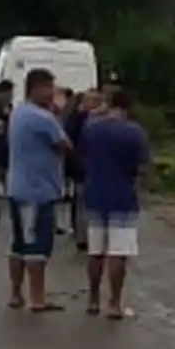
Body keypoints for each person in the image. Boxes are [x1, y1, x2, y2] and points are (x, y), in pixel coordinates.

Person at [77, 87, 151, 319]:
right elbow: (142, 167)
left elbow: (83, 157)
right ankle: (114, 303)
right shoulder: (135, 132)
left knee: (95, 250)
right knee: (118, 253)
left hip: (95, 193)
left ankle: (93, 299)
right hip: (122, 196)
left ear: (108, 103)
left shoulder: (91, 129)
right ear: (129, 106)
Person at [5, 68, 71, 312]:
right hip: (37, 191)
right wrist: (59, 113)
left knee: (19, 244)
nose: (52, 93)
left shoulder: (18, 112)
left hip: (17, 187)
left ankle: (16, 293)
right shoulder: (43, 118)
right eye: (48, 88)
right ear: (35, 88)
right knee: (36, 247)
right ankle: (37, 297)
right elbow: (65, 146)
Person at [64, 90, 102, 251]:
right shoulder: (85, 120)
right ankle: (84, 234)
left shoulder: (77, 119)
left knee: (81, 200)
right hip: (85, 166)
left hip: (82, 165)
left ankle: (82, 234)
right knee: (83, 201)